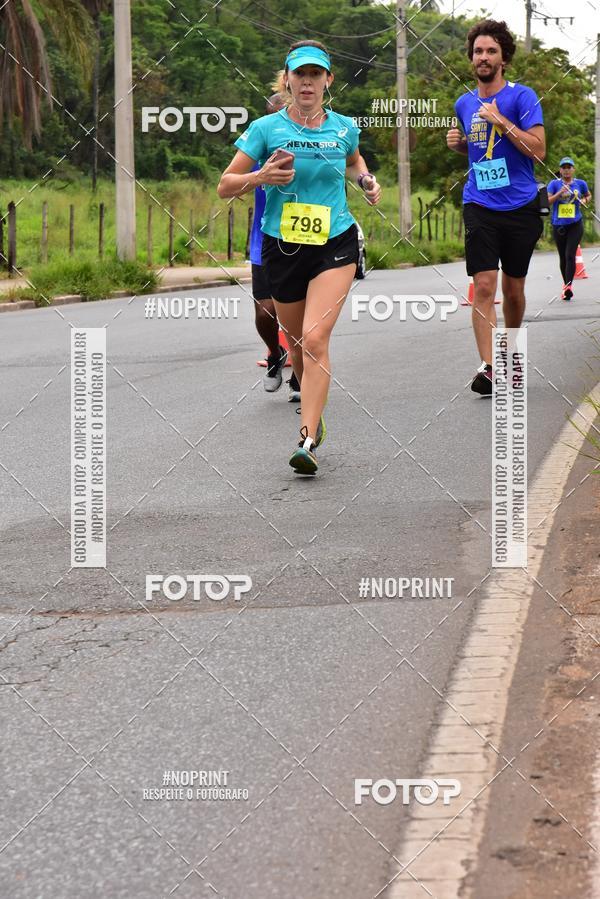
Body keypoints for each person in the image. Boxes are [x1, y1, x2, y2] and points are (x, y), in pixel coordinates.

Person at [218, 39, 380, 473]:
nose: (307, 82)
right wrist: (260, 175)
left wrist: (366, 180)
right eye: (299, 74)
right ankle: (315, 412)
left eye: (315, 74)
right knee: (297, 349)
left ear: (328, 80)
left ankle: (306, 439)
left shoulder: (344, 127)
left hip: (336, 242)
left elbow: (354, 160)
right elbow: (225, 184)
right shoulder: (266, 128)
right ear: (287, 79)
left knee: (314, 339)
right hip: (284, 246)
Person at [446, 19, 545, 396]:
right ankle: (490, 367)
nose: (483, 57)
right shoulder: (464, 103)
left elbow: (537, 149)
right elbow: (478, 152)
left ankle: (510, 350)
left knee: (514, 289)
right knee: (483, 285)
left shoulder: (523, 97)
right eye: (478, 52)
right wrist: (457, 145)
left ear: (503, 57)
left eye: (490, 51)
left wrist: (501, 120)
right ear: (471, 59)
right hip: (479, 203)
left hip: (520, 204)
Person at [249, 92, 301, 400]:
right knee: (266, 310)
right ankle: (274, 352)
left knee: (303, 314)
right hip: (265, 240)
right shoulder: (258, 149)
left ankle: (299, 375)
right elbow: (230, 183)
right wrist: (258, 176)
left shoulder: (312, 146)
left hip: (304, 240)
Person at [547, 157, 591, 301]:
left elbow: (587, 195)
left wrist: (584, 201)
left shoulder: (580, 183)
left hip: (575, 224)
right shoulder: (554, 184)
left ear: (573, 169)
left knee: (570, 255)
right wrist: (560, 193)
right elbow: (547, 201)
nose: (566, 170)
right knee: (563, 257)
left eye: (569, 167)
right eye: (564, 167)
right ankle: (566, 285)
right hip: (559, 225)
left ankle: (568, 287)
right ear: (560, 170)